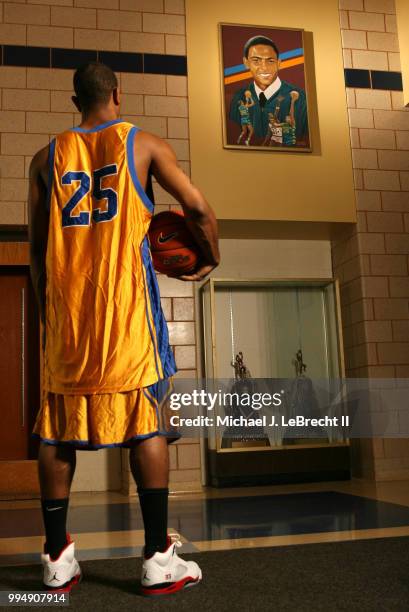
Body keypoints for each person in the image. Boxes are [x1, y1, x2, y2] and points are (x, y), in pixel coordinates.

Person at [28, 61, 219, 596]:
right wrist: (210, 257)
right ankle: (159, 557)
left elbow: (38, 253)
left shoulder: (45, 158)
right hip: (127, 311)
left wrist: (51, 316)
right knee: (147, 427)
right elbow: (198, 210)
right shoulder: (145, 145)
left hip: (69, 315)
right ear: (117, 92)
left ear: (75, 100)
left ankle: (56, 559)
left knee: (56, 429)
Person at [229, 35, 309, 146]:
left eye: (270, 61)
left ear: (279, 63)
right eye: (256, 61)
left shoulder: (301, 99)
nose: (264, 67)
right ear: (246, 63)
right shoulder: (238, 97)